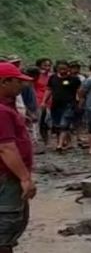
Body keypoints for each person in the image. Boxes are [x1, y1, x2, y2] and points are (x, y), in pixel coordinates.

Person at [0, 62, 37, 253]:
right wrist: (24, 178)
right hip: (7, 176)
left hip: (7, 175)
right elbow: (6, 148)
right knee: (6, 225)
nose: (21, 86)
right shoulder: (2, 111)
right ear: (5, 82)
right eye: (17, 81)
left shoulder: (8, 108)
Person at [41, 60, 81, 152]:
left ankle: (59, 145)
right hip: (55, 104)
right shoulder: (53, 78)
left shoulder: (74, 79)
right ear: (57, 69)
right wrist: (44, 101)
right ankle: (62, 141)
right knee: (57, 124)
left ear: (68, 69)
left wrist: (79, 103)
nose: (62, 70)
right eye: (60, 69)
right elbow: (49, 90)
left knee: (64, 123)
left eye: (64, 68)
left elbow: (79, 91)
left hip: (69, 104)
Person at [34, 58, 52, 147]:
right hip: (38, 99)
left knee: (48, 122)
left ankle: (48, 140)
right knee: (40, 121)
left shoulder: (52, 76)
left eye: (49, 65)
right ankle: (41, 140)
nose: (47, 67)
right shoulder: (36, 76)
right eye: (45, 65)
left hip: (50, 100)